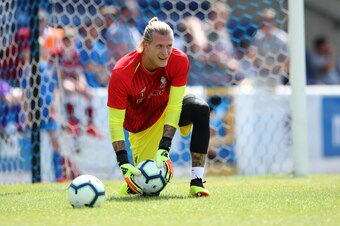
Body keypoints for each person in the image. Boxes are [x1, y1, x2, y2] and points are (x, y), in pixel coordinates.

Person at [107, 17, 210, 197]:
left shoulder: (179, 60)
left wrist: (165, 147)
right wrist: (123, 162)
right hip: (143, 126)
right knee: (146, 189)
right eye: (159, 46)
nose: (166, 52)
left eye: (169, 45)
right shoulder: (122, 72)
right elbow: (115, 122)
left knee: (200, 109)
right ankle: (131, 186)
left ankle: (197, 181)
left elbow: (175, 105)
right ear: (145, 46)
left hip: (168, 106)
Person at [249, 8, 289, 87]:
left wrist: (272, 65)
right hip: (259, 77)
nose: (266, 24)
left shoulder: (282, 38)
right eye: (264, 21)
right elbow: (252, 57)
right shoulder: (258, 36)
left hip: (277, 79)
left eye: (269, 21)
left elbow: (288, 63)